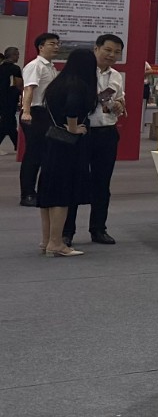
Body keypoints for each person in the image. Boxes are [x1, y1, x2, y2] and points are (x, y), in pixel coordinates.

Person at [64, 34, 125, 247]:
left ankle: (98, 229)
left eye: (116, 52)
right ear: (96, 48)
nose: (112, 55)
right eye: (108, 50)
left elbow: (120, 99)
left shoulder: (116, 76)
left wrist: (119, 105)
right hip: (83, 133)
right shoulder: (82, 72)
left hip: (107, 132)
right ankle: (67, 231)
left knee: (102, 183)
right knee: (74, 181)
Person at [36, 47, 95, 257]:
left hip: (52, 140)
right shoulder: (79, 86)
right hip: (68, 146)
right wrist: (73, 127)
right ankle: (56, 242)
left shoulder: (57, 83)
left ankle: (46, 240)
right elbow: (72, 107)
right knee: (62, 193)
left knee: (49, 191)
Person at [18, 32, 60, 207]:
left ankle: (41, 191)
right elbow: (29, 89)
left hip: (46, 114)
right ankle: (27, 194)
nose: (56, 46)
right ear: (41, 47)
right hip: (34, 113)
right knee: (33, 154)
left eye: (57, 43)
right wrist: (26, 111)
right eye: (52, 43)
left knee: (45, 153)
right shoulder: (35, 66)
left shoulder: (51, 67)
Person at [0, 47, 21, 154]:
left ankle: (18, 145)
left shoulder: (0, 68)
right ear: (12, 55)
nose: (18, 57)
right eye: (17, 54)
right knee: (8, 122)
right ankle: (18, 145)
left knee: (9, 121)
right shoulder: (15, 69)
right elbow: (18, 84)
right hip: (10, 99)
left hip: (1, 99)